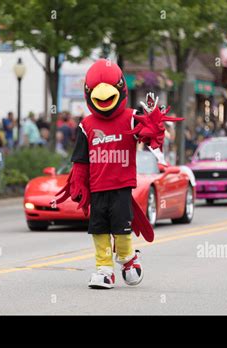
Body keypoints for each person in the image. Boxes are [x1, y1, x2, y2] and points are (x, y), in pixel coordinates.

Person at [54, 60, 183, 289]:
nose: (104, 97)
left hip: (121, 187)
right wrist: (79, 184)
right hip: (97, 189)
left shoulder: (132, 117)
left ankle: (128, 258)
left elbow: (149, 136)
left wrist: (153, 128)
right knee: (99, 230)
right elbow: (81, 160)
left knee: (121, 230)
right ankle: (104, 269)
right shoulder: (86, 125)